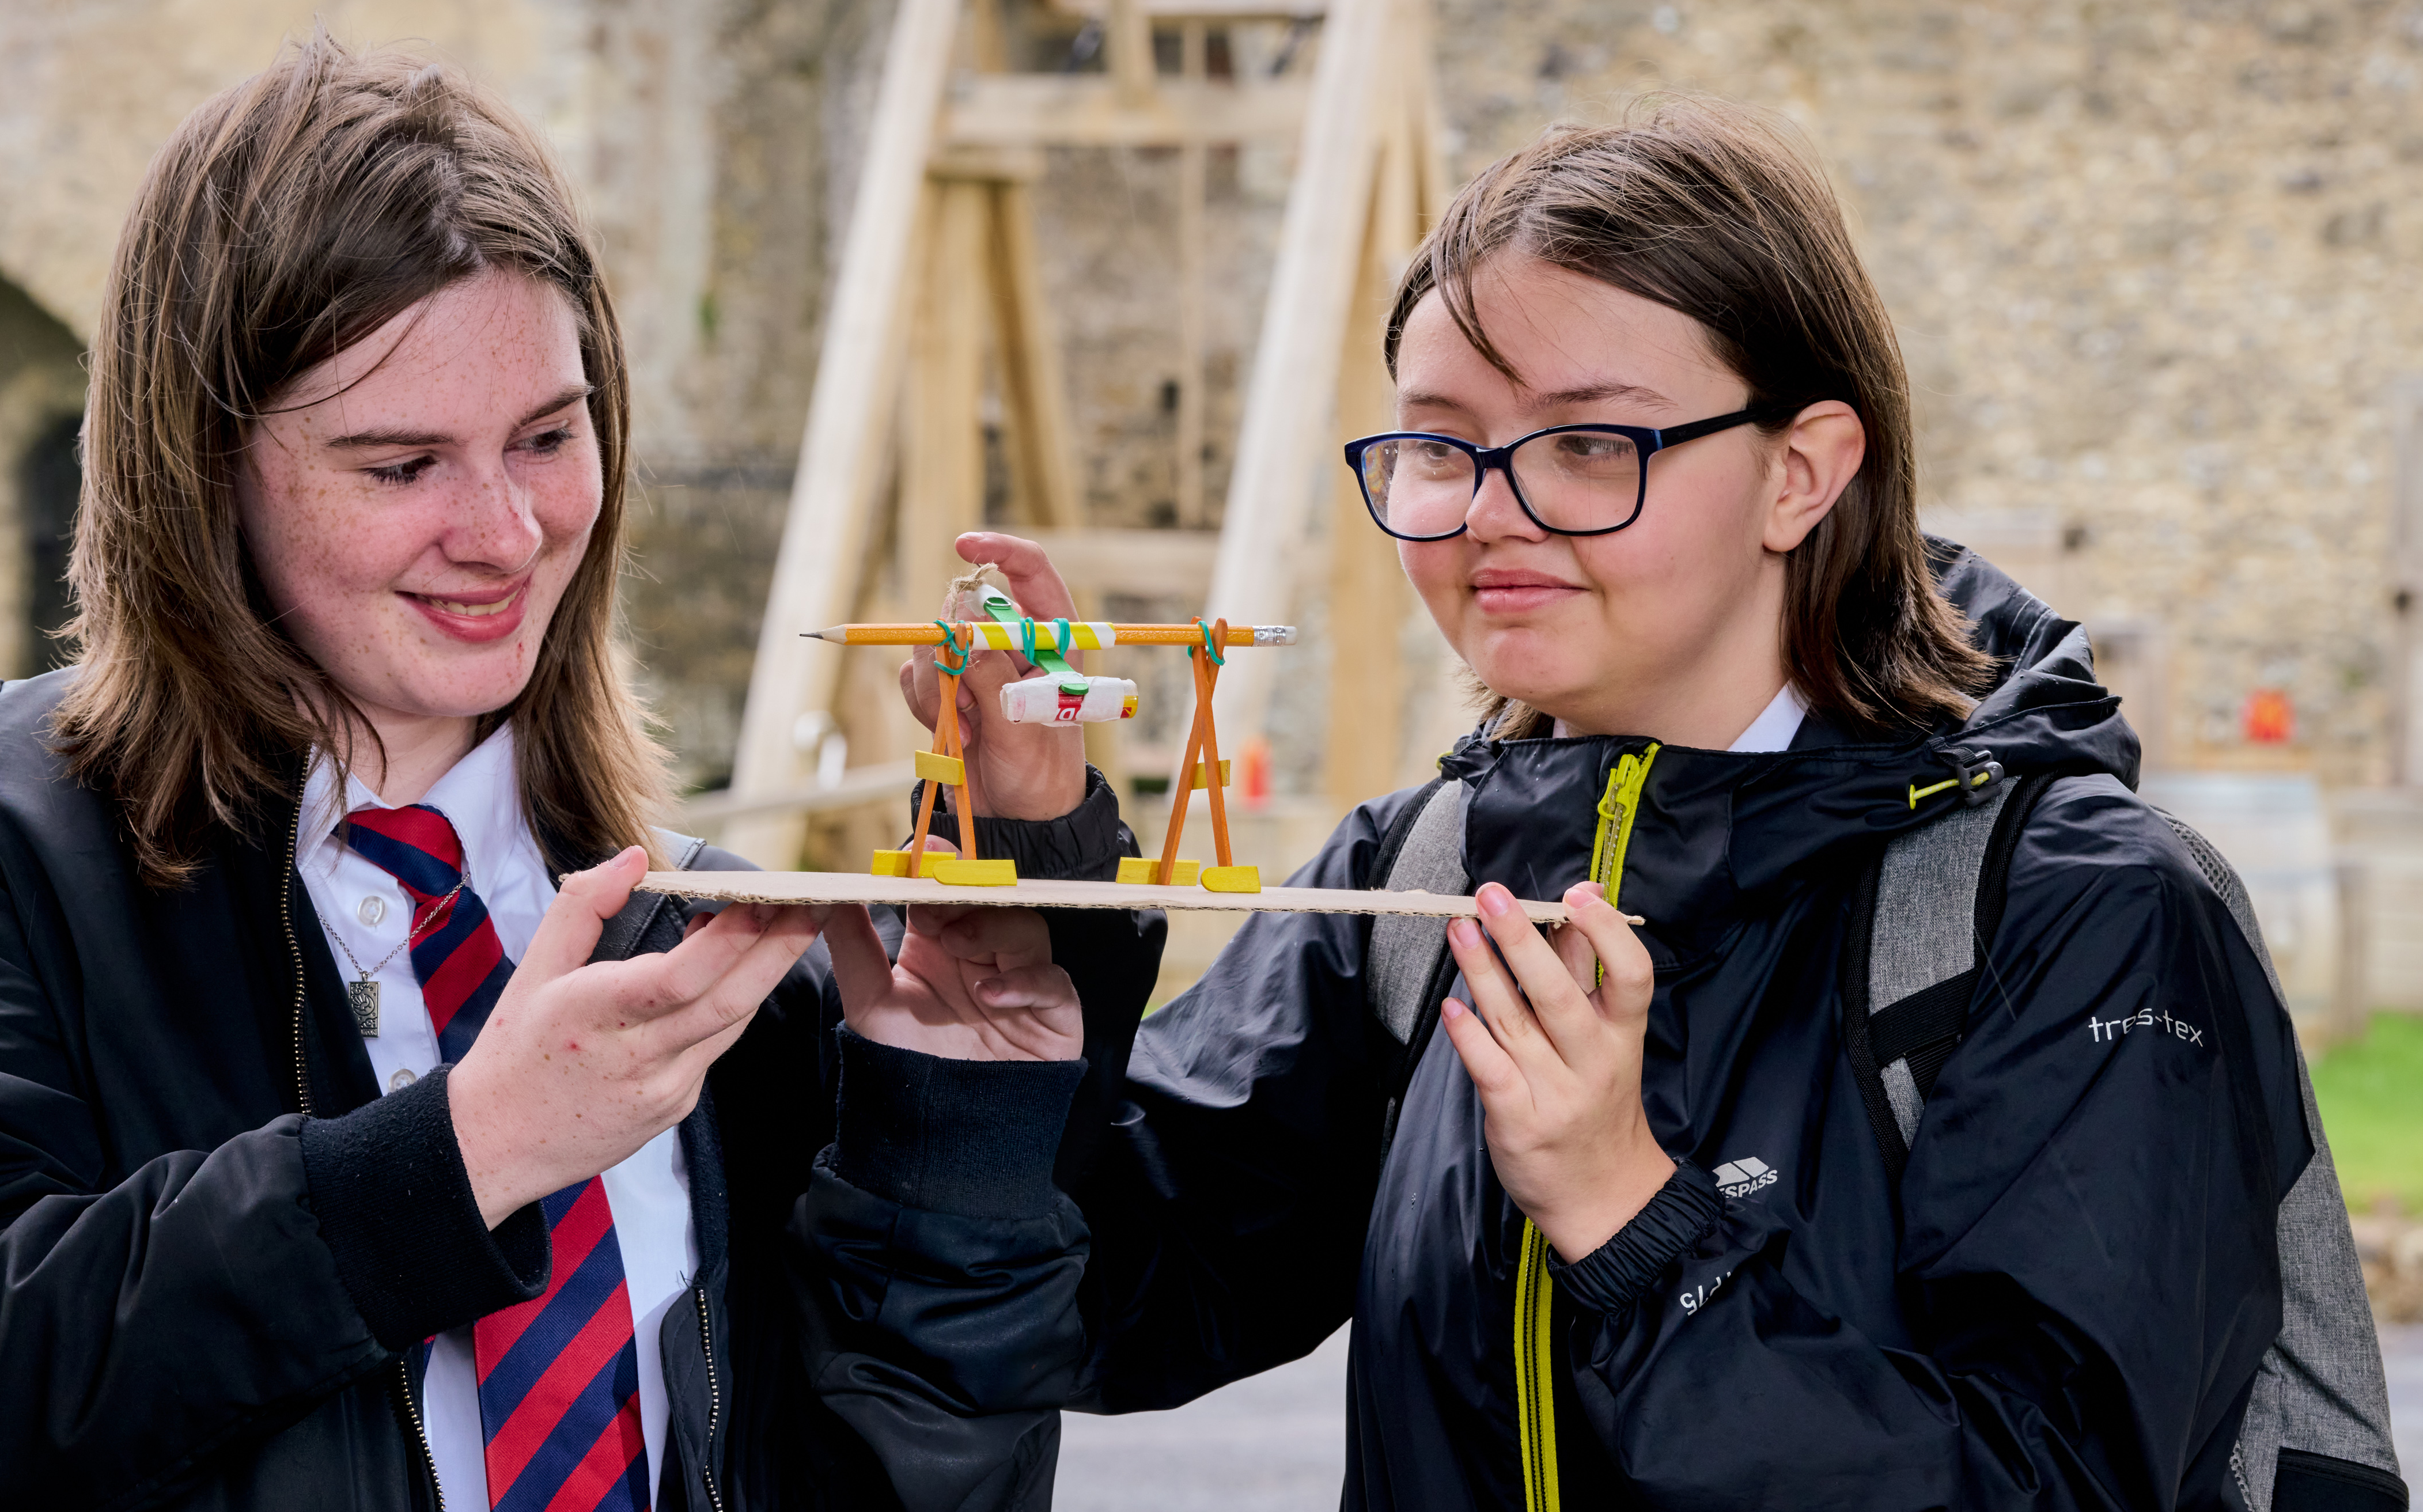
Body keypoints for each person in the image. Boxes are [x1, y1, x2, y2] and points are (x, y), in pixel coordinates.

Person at [0, 37, 1157, 1512]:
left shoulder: (718, 940)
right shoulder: (15, 828)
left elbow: (917, 1472)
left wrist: (950, 1156)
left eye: (548, 436)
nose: (507, 533)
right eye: (401, 466)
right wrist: (464, 1150)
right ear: (204, 467)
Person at [948, 97, 2315, 1507]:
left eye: (1591, 443)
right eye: (1438, 445)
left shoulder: (2084, 911)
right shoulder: (1418, 881)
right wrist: (1024, 900)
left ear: (1800, 472)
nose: (1489, 511)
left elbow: (2061, 1478)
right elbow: (1098, 1290)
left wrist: (1633, 1222)